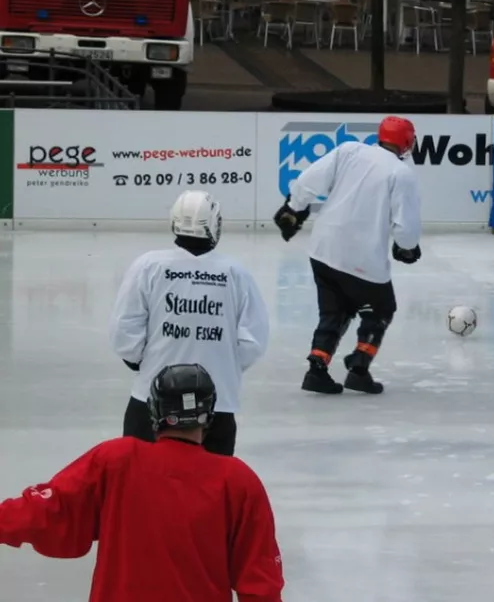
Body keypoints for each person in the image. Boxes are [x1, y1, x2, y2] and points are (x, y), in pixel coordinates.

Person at [0, 364, 285, 602]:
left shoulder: (116, 460)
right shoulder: (238, 481)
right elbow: (261, 584)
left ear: (154, 410)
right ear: (209, 413)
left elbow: (49, 511)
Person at [112, 190, 270, 456]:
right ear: (215, 224)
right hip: (216, 403)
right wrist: (223, 364)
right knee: (208, 487)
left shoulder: (149, 266)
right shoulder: (235, 273)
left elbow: (125, 324)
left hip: (152, 398)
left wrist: (135, 357)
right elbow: (254, 338)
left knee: (141, 481)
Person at [274, 115, 422, 396]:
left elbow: (309, 180)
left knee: (334, 311)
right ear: (406, 142)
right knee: (381, 310)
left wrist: (294, 207)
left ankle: (317, 368)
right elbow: (406, 228)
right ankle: (359, 367)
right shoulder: (401, 174)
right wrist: (407, 247)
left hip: (323, 250)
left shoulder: (350, 150)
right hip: (362, 259)